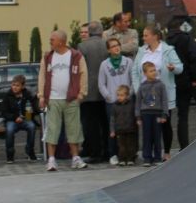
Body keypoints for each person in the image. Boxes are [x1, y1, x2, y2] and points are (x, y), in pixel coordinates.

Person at [38, 30, 89, 171]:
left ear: (61, 41)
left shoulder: (76, 56)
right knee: (52, 130)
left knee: (74, 129)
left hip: (71, 99)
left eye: (52, 40)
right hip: (53, 99)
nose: (50, 42)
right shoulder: (48, 57)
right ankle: (52, 160)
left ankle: (75, 158)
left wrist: (81, 94)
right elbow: (42, 76)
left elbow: (83, 74)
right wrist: (41, 95)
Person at [132, 26, 183, 161]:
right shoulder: (142, 51)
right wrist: (138, 89)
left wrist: (173, 68)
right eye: (143, 35)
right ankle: (150, 154)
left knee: (164, 123)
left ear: (155, 36)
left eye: (146, 35)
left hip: (162, 93)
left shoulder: (167, 50)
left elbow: (180, 67)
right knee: (149, 125)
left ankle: (166, 152)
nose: (144, 38)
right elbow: (134, 71)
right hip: (146, 94)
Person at [166, 17, 196, 150]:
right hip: (193, 80)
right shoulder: (187, 39)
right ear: (181, 27)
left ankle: (184, 146)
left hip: (178, 82)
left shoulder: (167, 43)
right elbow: (195, 59)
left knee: (182, 115)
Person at [78, 20, 109, 163]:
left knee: (90, 124)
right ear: (101, 32)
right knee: (105, 122)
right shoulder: (106, 44)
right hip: (106, 90)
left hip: (88, 92)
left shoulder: (82, 46)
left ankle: (94, 152)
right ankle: (108, 151)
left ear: (89, 32)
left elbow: (79, 70)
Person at [99, 37, 134, 165]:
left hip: (127, 101)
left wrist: (129, 94)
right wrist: (108, 97)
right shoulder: (104, 65)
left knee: (128, 127)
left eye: (117, 45)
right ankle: (113, 154)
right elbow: (101, 84)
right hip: (112, 102)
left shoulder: (128, 62)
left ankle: (130, 154)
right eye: (113, 46)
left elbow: (133, 79)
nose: (116, 48)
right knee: (113, 129)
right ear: (108, 50)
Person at [135, 62, 168, 166]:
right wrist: (138, 116)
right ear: (145, 73)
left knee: (157, 136)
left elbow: (164, 100)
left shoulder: (161, 85)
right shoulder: (142, 86)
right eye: (151, 71)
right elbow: (138, 102)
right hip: (146, 114)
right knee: (147, 136)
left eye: (154, 70)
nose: (154, 72)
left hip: (157, 114)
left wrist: (164, 114)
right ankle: (147, 158)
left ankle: (157, 157)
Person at [2, 74, 39, 163]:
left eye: (17, 86)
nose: (14, 87)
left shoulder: (27, 95)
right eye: (13, 85)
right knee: (9, 130)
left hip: (25, 119)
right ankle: (10, 154)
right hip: (12, 120)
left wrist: (27, 116)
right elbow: (4, 113)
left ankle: (30, 151)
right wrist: (15, 118)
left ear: (22, 86)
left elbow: (33, 109)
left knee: (31, 126)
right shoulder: (8, 96)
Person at [110, 85, 138, 166]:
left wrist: (136, 124)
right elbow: (112, 119)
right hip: (119, 130)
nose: (119, 97)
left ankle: (131, 159)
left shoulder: (132, 104)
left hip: (130, 129)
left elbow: (135, 115)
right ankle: (122, 159)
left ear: (127, 95)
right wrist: (112, 130)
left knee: (131, 145)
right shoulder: (115, 106)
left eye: (121, 95)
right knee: (121, 146)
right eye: (118, 95)